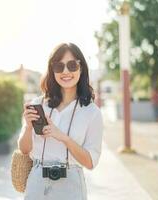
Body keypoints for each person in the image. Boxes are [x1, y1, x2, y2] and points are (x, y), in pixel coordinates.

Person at [18, 43, 103, 199]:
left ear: (81, 68)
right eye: (59, 66)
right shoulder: (38, 104)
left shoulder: (92, 112)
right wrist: (29, 128)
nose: (66, 72)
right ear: (52, 70)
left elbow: (90, 162)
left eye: (72, 65)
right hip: (37, 183)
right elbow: (24, 150)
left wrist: (63, 137)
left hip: (71, 184)